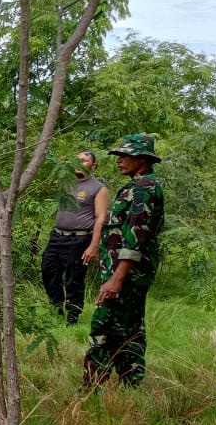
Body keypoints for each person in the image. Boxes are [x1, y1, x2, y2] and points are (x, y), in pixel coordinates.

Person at [83, 135, 165, 390]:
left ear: (142, 159)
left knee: (103, 326)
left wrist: (116, 279)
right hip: (124, 274)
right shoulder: (136, 186)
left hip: (126, 276)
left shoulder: (143, 188)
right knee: (129, 329)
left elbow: (136, 237)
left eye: (125, 155)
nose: (119, 160)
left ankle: (91, 389)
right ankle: (132, 385)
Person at [40, 150, 108, 324]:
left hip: (79, 240)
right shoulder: (65, 182)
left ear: (93, 166)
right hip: (57, 237)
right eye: (76, 160)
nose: (79, 164)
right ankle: (56, 309)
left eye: (84, 161)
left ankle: (72, 317)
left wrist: (93, 246)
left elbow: (101, 218)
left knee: (73, 279)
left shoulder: (98, 188)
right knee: (49, 272)